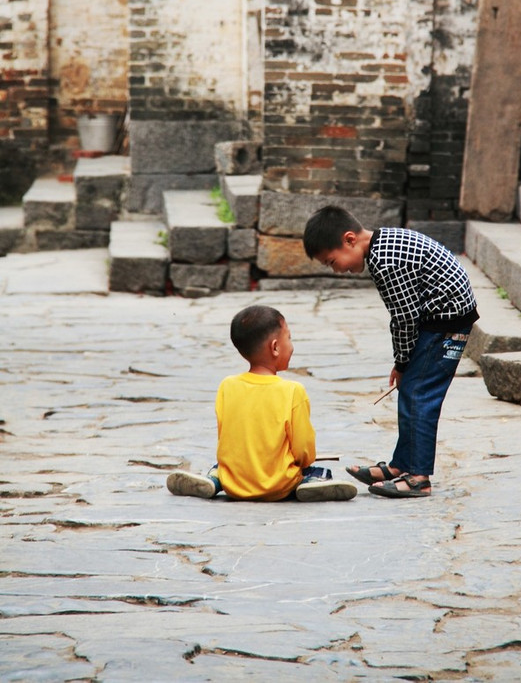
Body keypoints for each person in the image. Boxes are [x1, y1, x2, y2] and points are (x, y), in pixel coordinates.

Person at [303, 206, 479, 499]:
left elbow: (404, 318)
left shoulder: (385, 261)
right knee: (411, 390)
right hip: (440, 319)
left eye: (333, 261)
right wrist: (405, 364)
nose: (337, 270)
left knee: (420, 396)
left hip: (444, 323)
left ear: (350, 240)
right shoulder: (384, 244)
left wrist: (402, 360)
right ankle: (401, 466)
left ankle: (418, 477)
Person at [166, 304, 357, 503]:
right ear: (275, 347)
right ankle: (308, 483)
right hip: (278, 485)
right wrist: (305, 462)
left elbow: (227, 439)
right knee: (316, 470)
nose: (292, 345)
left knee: (220, 467)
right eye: (289, 338)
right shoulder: (293, 391)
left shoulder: (227, 386)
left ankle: (214, 480)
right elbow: (303, 451)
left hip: (235, 483)